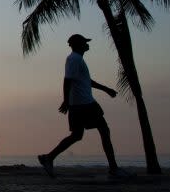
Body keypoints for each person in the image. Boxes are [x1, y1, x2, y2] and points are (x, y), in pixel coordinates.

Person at [38, 34, 129, 178]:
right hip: (84, 104)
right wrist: (66, 101)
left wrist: (106, 89)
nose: (87, 44)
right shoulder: (74, 59)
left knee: (76, 135)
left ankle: (48, 158)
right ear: (78, 44)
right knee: (104, 130)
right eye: (85, 42)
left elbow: (86, 80)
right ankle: (114, 168)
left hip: (79, 105)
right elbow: (67, 80)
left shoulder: (77, 59)